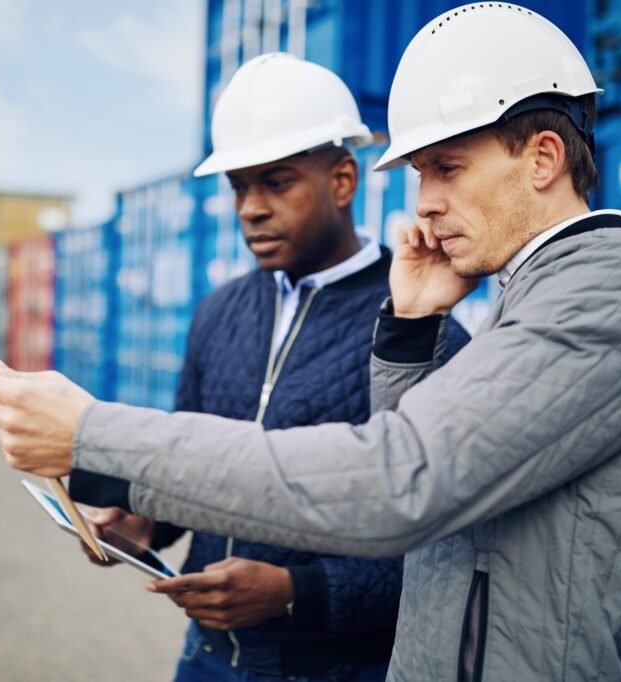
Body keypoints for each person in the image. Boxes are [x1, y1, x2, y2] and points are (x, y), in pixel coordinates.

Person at [0, 6, 621, 681]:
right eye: (422, 171)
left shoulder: (611, 293)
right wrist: (411, 331)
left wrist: (95, 438)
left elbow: (402, 485)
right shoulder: (531, 296)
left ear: (542, 158)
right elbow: (449, 511)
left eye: (446, 168)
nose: (424, 201)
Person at [69, 52, 468, 682]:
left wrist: (294, 591)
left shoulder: (418, 328)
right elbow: (192, 472)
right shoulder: (217, 314)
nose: (250, 208)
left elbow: (446, 549)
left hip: (333, 670)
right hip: (206, 660)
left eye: (276, 183)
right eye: (238, 188)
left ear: (342, 181)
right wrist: (146, 522)